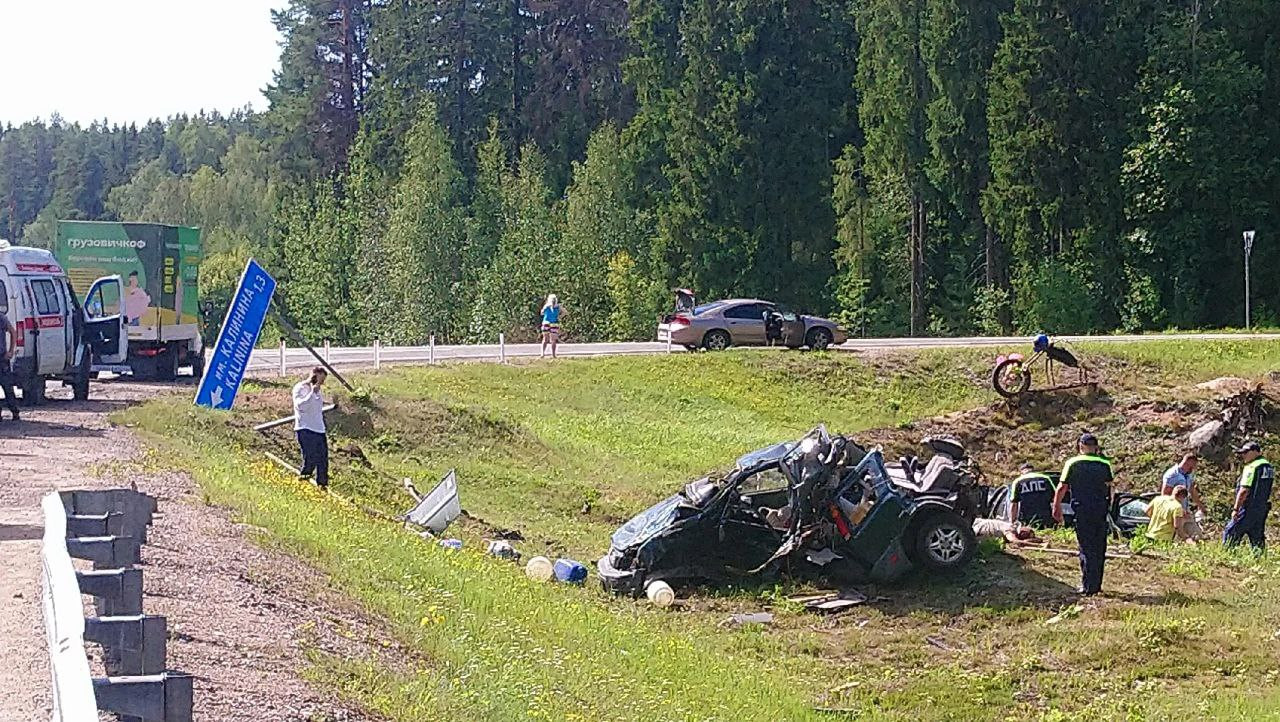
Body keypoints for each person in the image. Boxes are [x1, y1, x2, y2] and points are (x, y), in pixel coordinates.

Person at [1052, 433, 1115, 596]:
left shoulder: (1072, 463)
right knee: (1099, 546)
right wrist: (1109, 506)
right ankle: (1097, 584)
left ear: (1080, 446)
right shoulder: (1104, 463)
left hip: (1082, 509)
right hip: (1100, 509)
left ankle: (1088, 586)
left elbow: (1062, 487)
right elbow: (1111, 488)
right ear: (1096, 447)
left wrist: (1056, 506)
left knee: (1086, 546)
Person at [1224, 441, 1273, 552]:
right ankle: (1259, 561)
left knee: (1231, 531)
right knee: (1257, 536)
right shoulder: (1268, 466)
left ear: (1256, 452)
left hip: (1248, 507)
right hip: (1262, 508)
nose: (1243, 455)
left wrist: (1236, 509)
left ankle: (1225, 559)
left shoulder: (1252, 466)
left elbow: (1244, 490)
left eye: (1246, 452)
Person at [292, 367, 329, 489]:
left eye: (322, 381)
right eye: (319, 379)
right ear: (313, 376)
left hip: (319, 428)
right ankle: (303, 479)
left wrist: (316, 392)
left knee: (322, 460)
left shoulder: (318, 391)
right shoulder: (300, 388)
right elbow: (301, 406)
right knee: (310, 458)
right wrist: (312, 393)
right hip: (305, 428)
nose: (321, 383)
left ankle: (322, 485)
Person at [1008, 463, 1057, 528]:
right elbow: (1056, 498)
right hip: (1046, 518)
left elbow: (1014, 504)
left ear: (1022, 472)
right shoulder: (1046, 478)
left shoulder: (1018, 481)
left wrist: (1012, 521)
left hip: (1027, 520)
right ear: (1033, 470)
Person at [0, 310, 19, 421]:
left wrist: (11, 351)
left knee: (7, 387)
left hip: (2, 358)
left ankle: (14, 411)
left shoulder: (1, 317)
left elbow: (13, 332)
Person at [540, 294, 563, 359]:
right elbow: (565, 312)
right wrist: (559, 316)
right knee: (553, 340)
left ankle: (543, 353)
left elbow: (541, 313)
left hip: (547, 322)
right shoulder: (558, 306)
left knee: (545, 339)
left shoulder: (547, 306)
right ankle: (553, 354)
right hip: (554, 323)